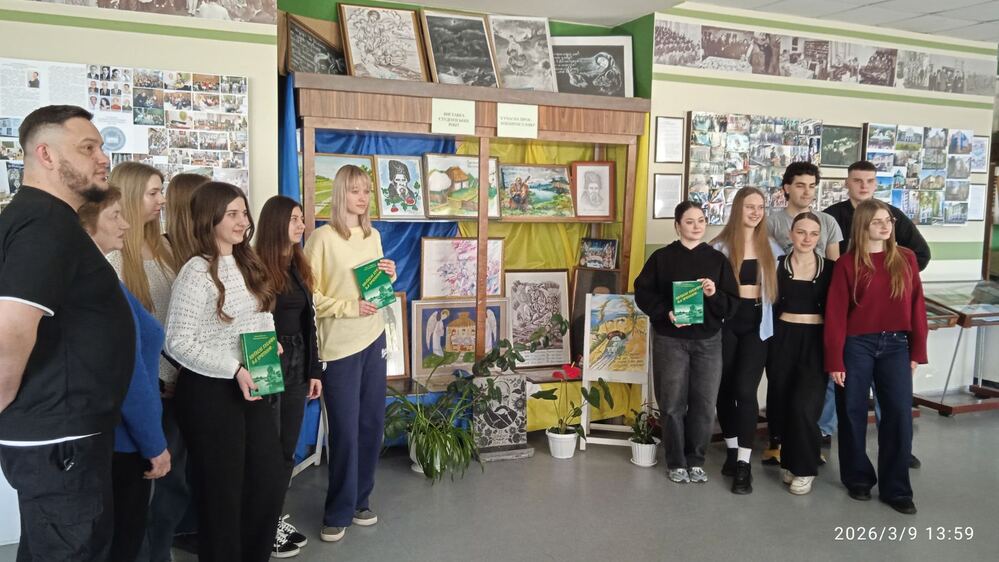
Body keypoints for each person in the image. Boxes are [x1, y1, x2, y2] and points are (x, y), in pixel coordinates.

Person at [0, 104, 134, 560]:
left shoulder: (48, 220)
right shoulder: (44, 224)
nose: (103, 158)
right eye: (87, 148)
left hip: (63, 437)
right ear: (46, 155)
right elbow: (10, 332)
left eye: (100, 147)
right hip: (59, 441)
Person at [166, 181, 285, 561]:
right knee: (222, 495)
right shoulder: (196, 272)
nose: (242, 221)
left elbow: (260, 315)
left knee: (265, 482)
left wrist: (270, 344)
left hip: (252, 383)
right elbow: (178, 342)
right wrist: (233, 367)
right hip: (210, 393)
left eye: (244, 213)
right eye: (231, 214)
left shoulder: (248, 261)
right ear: (210, 219)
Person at [304, 165, 396, 543]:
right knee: (344, 430)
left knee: (371, 425)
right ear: (341, 193)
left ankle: (360, 501)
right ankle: (338, 511)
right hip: (339, 347)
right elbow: (309, 297)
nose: (362, 198)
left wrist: (388, 275)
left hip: (374, 339)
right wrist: (348, 307)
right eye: (355, 190)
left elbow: (375, 289)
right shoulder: (321, 239)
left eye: (367, 191)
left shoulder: (373, 235)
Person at [79, 186, 171, 562]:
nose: (126, 224)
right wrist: (154, 444)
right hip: (121, 441)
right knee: (122, 541)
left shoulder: (97, 275)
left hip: (115, 437)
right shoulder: (98, 283)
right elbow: (129, 372)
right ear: (87, 223)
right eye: (115, 215)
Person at [821, 159, 928, 468]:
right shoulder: (846, 261)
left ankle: (897, 481)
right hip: (857, 344)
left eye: (888, 221)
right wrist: (834, 358)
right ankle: (855, 474)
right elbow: (836, 313)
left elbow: (916, 306)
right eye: (877, 221)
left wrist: (917, 350)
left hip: (895, 344)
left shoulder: (906, 259)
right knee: (851, 409)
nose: (885, 226)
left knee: (897, 411)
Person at [635, 201, 738, 485]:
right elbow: (642, 293)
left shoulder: (717, 260)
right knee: (671, 403)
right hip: (670, 340)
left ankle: (696, 460)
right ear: (677, 225)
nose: (696, 226)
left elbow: (731, 305)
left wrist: (713, 293)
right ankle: (676, 461)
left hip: (708, 341)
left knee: (704, 404)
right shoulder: (661, 258)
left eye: (701, 220)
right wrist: (666, 313)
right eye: (690, 221)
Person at [143, 172, 209, 562]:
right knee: (170, 473)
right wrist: (164, 375)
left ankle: (187, 529)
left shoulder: (191, 253)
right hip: (169, 382)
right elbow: (154, 325)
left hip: (195, 379)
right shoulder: (162, 253)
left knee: (191, 467)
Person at [255, 196, 324, 558]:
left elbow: (308, 320)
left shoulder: (297, 263)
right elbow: (250, 325)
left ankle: (272, 518)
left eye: (301, 218)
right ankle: (260, 526)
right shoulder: (255, 267)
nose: (301, 225)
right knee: (266, 447)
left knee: (287, 448)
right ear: (276, 223)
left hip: (297, 362)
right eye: (295, 219)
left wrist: (314, 369)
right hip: (268, 359)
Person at [711, 186, 782, 494]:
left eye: (760, 207)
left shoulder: (772, 247)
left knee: (745, 389)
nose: (755, 212)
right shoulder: (720, 247)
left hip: (757, 324)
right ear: (737, 208)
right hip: (727, 322)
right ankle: (731, 451)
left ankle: (743, 463)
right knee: (724, 389)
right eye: (750, 206)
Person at [765, 212, 833, 496]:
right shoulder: (777, 266)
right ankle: (790, 461)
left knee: (805, 407)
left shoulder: (830, 269)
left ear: (819, 237)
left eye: (813, 234)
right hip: (782, 341)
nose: (807, 238)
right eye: (801, 232)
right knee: (782, 403)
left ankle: (805, 469)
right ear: (791, 234)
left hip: (815, 343)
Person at [823, 160, 930, 270]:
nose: (864, 186)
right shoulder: (829, 216)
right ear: (846, 183)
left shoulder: (892, 214)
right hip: (841, 277)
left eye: (870, 181)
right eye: (857, 181)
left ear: (876, 184)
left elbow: (921, 254)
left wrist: (894, 275)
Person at [767, 162, 842, 260]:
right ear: (787, 188)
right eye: (800, 186)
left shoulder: (828, 221)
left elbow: (834, 263)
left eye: (811, 186)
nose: (807, 192)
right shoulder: (771, 223)